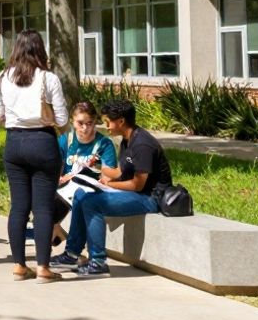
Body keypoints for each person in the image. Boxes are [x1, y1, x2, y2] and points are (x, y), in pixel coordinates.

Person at [52, 98, 172, 277]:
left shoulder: (143, 144)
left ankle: (98, 262)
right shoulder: (127, 140)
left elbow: (137, 185)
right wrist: (98, 170)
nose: (106, 126)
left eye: (108, 122)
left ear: (121, 121)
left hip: (150, 198)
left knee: (92, 203)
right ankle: (71, 254)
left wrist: (108, 184)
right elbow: (120, 172)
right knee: (80, 195)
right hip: (134, 192)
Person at [0, 29, 68, 282]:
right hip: (42, 141)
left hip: (14, 142)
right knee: (43, 207)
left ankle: (19, 265)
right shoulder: (48, 78)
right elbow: (63, 119)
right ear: (39, 49)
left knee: (19, 206)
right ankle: (43, 267)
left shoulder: (2, 78)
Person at [51, 101, 118, 245]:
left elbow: (108, 176)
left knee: (73, 194)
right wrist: (59, 178)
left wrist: (77, 176)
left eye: (90, 123)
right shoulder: (66, 140)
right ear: (72, 121)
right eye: (80, 123)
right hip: (65, 190)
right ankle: (58, 232)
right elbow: (53, 165)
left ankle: (61, 237)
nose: (85, 128)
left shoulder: (104, 144)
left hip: (91, 189)